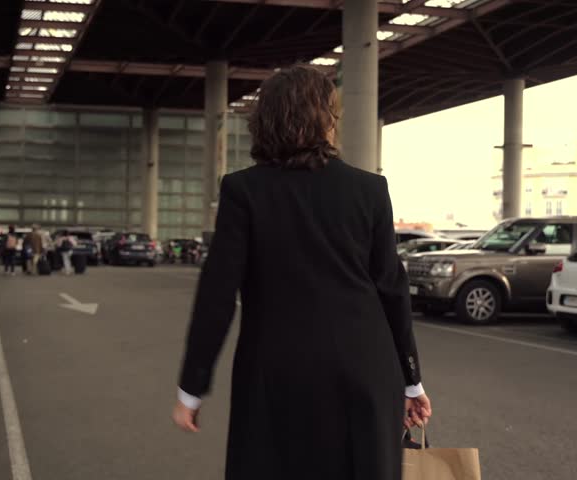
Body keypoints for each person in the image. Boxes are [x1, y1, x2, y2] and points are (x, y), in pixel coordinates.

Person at [173, 66, 432, 480]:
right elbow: (392, 291)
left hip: (276, 376)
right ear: (326, 120)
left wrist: (192, 387)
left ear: (265, 122)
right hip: (366, 372)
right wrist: (411, 382)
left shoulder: (243, 190)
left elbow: (217, 295)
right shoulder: (369, 190)